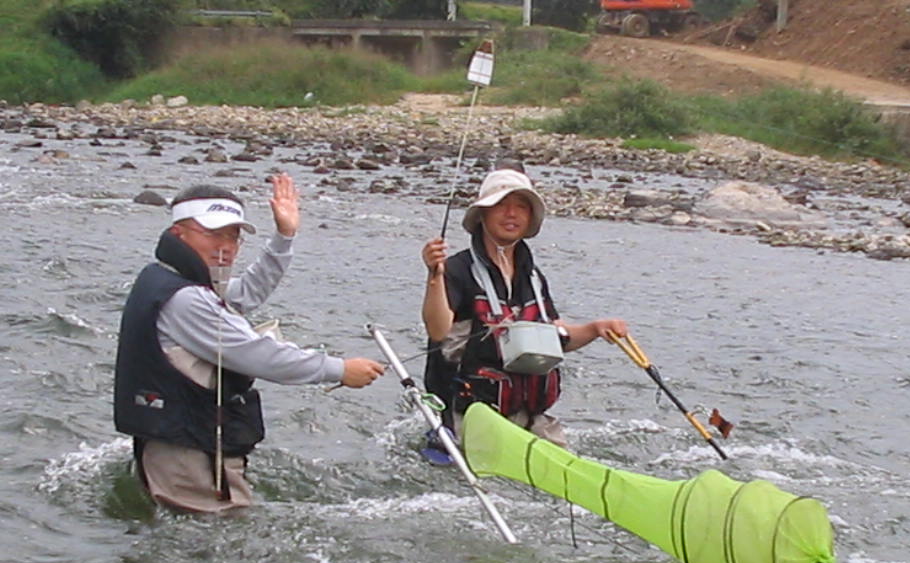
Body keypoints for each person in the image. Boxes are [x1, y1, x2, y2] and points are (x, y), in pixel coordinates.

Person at [114, 173, 384, 513]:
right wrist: (339, 369)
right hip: (188, 453)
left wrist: (284, 236)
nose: (225, 246)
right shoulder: (186, 299)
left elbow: (246, 293)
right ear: (177, 233)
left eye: (234, 236)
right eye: (213, 234)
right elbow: (260, 356)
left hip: (171, 442)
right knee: (210, 547)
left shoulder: (168, 277)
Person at [420, 164, 627, 454]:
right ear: (482, 215)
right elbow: (438, 329)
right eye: (501, 205)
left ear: (530, 218)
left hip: (528, 416)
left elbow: (553, 333)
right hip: (469, 415)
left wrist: (594, 329)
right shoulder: (455, 270)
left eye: (521, 206)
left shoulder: (532, 276)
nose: (511, 214)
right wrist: (434, 275)